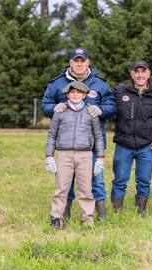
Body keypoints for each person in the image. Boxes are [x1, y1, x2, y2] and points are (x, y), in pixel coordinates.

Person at [41, 47, 116, 221]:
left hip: (92, 143)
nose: (79, 64)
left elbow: (112, 105)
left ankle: (99, 215)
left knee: (96, 180)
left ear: (88, 62)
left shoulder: (100, 83)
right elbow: (45, 104)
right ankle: (62, 216)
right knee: (65, 181)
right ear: (71, 62)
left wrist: (101, 109)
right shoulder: (57, 83)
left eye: (83, 61)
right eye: (76, 61)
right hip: (65, 143)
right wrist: (54, 108)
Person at [111, 60, 152, 217]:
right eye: (137, 72)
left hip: (147, 146)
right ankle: (117, 212)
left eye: (143, 72)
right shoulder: (120, 91)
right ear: (131, 74)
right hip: (124, 144)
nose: (140, 75)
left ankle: (141, 211)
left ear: (149, 73)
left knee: (144, 180)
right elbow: (108, 108)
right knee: (120, 180)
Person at [45, 81, 105, 229]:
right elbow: (52, 135)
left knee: (86, 190)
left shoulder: (91, 112)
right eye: (72, 92)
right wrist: (49, 156)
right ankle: (57, 218)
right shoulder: (60, 112)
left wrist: (100, 158)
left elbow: (98, 136)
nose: (75, 95)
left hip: (85, 155)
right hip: (64, 155)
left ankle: (87, 219)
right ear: (67, 94)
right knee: (61, 189)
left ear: (85, 95)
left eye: (79, 92)